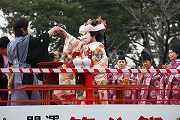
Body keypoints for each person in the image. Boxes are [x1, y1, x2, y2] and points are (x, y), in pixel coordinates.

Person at [53, 16, 108, 104]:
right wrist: (64, 33)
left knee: (91, 104)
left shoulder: (99, 46)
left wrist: (90, 71)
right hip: (82, 78)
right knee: (81, 103)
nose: (82, 36)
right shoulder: (84, 45)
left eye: (85, 33)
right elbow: (73, 43)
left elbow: (102, 63)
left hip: (92, 79)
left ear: (93, 34)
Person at [7, 17, 61, 106]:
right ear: (22, 30)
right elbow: (40, 41)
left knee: (15, 100)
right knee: (29, 102)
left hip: (14, 75)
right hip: (25, 75)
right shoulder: (24, 41)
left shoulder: (10, 44)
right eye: (27, 28)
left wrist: (50, 55)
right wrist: (53, 29)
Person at [157, 38, 180, 104]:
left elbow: (177, 76)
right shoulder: (169, 64)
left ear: (177, 53)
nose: (169, 54)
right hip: (167, 89)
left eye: (171, 52)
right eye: (169, 53)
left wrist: (168, 72)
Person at [0, 36, 10, 106]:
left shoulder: (12, 55)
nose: (1, 51)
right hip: (1, 81)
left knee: (6, 101)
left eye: (2, 49)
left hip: (8, 82)